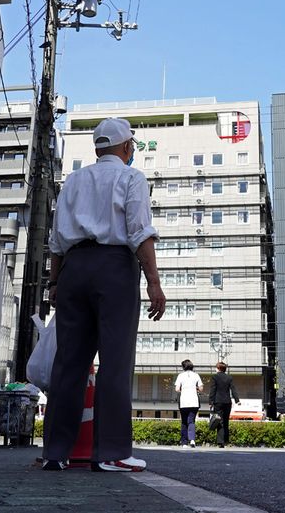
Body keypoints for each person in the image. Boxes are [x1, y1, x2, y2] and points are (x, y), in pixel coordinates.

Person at [41, 118, 166, 473]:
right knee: (115, 363)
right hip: (114, 268)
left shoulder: (74, 181)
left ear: (98, 148)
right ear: (127, 148)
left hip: (73, 269)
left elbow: (57, 239)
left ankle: (55, 451)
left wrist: (54, 282)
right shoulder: (131, 177)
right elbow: (140, 231)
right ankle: (111, 452)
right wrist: (153, 281)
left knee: (68, 364)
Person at [208, 361, 239, 448]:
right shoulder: (229, 377)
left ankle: (220, 442)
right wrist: (237, 400)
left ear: (218, 368)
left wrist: (211, 401)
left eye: (216, 367)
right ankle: (226, 440)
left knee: (219, 421)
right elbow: (233, 389)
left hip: (218, 402)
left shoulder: (215, 377)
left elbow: (213, 389)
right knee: (226, 421)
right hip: (227, 402)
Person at [174, 359, 203, 447]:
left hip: (184, 402)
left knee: (184, 422)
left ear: (183, 367)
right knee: (191, 421)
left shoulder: (180, 375)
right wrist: (195, 389)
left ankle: (184, 442)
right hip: (194, 401)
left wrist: (184, 389)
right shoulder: (196, 375)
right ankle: (192, 440)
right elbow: (201, 388)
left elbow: (177, 389)